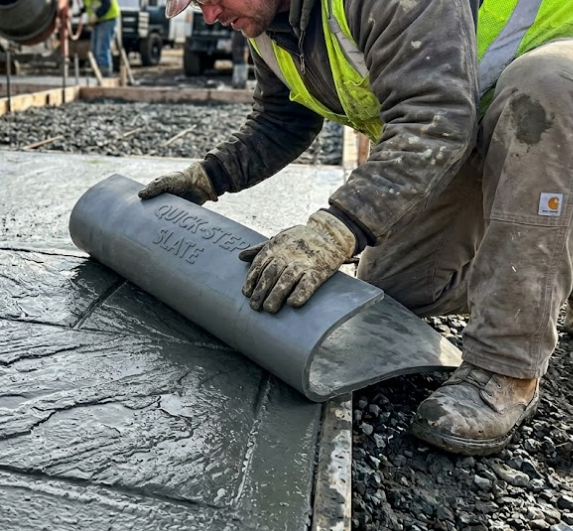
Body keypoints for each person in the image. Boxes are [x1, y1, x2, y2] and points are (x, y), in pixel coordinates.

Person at [139, 0, 573, 456]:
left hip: (549, 90)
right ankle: (554, 258)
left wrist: (336, 229)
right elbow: (282, 119)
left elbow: (435, 118)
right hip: (463, 125)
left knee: (544, 87)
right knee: (398, 289)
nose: (208, 15)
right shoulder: (268, 25)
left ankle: (506, 370)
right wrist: (209, 177)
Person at [84, 0, 120, 75]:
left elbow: (107, 4)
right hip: (99, 20)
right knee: (94, 49)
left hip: (108, 18)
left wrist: (96, 15)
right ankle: (98, 71)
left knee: (101, 49)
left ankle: (105, 72)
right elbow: (89, 5)